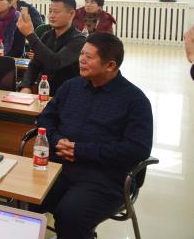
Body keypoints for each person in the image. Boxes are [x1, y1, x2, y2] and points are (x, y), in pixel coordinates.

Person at [34, 33, 153, 239]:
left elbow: (137, 149)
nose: (81, 60)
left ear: (110, 65)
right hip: (58, 167)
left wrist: (80, 151)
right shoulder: (71, 87)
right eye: (81, 54)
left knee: (70, 216)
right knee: (22, 198)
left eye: (89, 57)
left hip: (104, 176)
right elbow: (45, 118)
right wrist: (56, 140)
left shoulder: (134, 100)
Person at [17, 0, 86, 95]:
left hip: (68, 94)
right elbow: (35, 64)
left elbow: (55, 62)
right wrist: (25, 86)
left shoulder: (79, 40)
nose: (51, 15)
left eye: (56, 12)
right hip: (43, 92)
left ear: (71, 14)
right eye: (50, 11)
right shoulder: (47, 35)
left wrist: (30, 35)